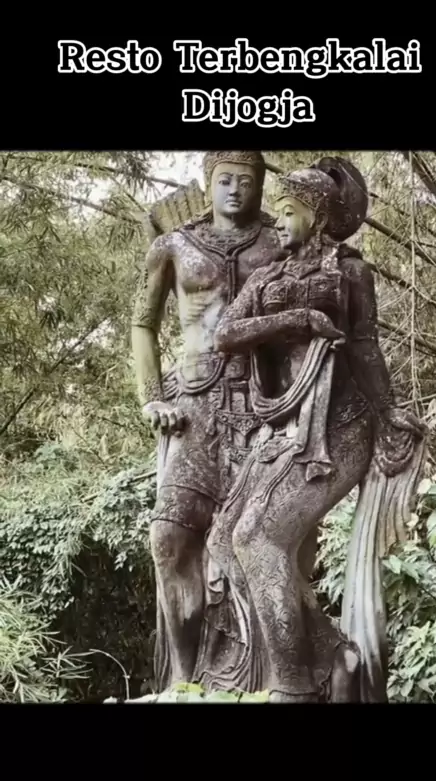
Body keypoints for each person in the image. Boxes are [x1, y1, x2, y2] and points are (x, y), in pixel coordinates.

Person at [206, 161, 427, 702]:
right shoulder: (267, 277)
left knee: (258, 539)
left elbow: (365, 347)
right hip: (282, 427)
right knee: (224, 541)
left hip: (338, 431)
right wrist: (296, 319)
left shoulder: (351, 273)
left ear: (318, 216)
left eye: (288, 212)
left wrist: (389, 411)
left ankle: (294, 687)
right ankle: (333, 655)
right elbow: (226, 334)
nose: (278, 222)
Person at [131, 151, 281, 689]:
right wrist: (152, 398)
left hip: (265, 408)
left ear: (261, 186)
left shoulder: (281, 241)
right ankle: (182, 681)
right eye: (225, 180)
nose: (235, 189)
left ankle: (270, 676)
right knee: (170, 538)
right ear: (208, 183)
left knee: (263, 540)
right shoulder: (173, 247)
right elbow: (143, 324)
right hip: (192, 409)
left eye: (246, 181)